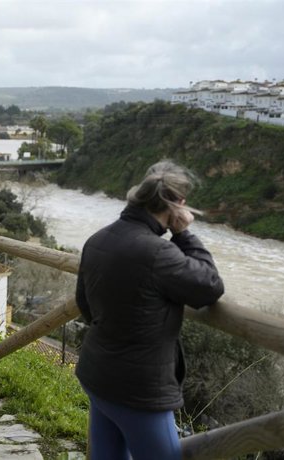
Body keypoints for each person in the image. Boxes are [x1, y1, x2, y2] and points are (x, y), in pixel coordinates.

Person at [74, 160, 225, 460]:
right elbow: (210, 285)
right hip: (139, 390)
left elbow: (85, 305)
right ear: (177, 205)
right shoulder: (159, 252)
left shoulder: (98, 239)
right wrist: (184, 235)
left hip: (97, 373)